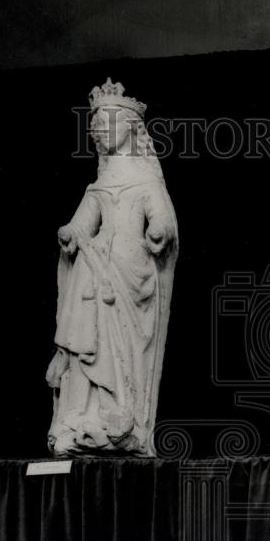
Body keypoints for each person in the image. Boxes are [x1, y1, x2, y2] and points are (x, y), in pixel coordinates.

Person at [46, 79, 178, 456]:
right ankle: (79, 416)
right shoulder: (99, 185)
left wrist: (160, 230)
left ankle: (122, 416)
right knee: (85, 345)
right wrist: (69, 234)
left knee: (122, 350)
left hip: (129, 273)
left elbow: (162, 220)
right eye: (96, 125)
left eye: (110, 122)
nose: (101, 131)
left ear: (132, 129)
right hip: (93, 274)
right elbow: (81, 225)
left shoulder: (146, 180)